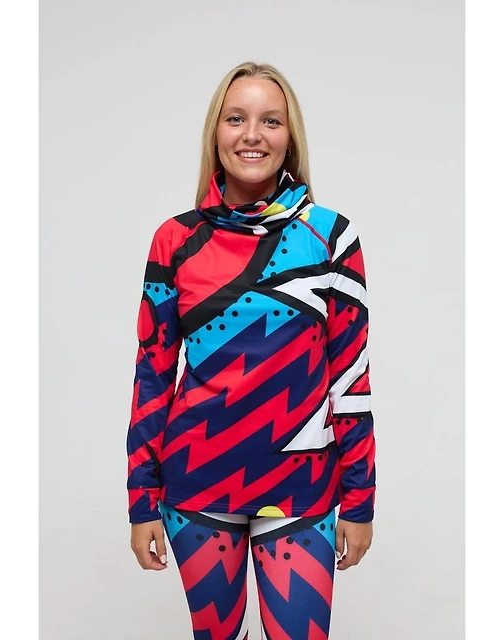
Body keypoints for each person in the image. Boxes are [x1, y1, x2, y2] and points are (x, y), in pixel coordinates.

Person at [126, 61, 376, 639]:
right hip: (197, 485)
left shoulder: (331, 238)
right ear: (216, 133)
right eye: (236, 118)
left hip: (302, 487)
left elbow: (351, 378)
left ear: (291, 138)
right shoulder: (175, 240)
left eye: (271, 121)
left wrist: (360, 500)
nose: (252, 135)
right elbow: (152, 376)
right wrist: (141, 499)